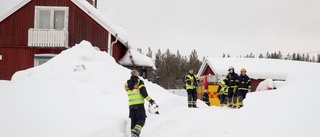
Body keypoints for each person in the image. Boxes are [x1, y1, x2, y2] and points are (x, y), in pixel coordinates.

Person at [124, 70, 156, 137]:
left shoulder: (126, 84)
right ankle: (136, 132)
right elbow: (143, 93)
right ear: (136, 74)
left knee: (134, 121)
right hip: (139, 105)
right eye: (138, 73)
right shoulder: (139, 82)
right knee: (142, 119)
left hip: (131, 106)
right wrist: (151, 100)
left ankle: (133, 135)